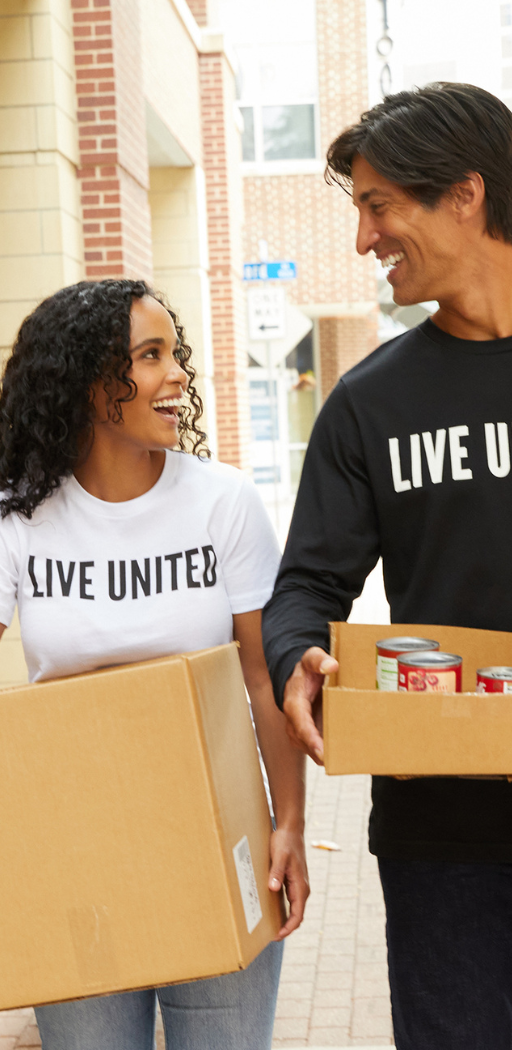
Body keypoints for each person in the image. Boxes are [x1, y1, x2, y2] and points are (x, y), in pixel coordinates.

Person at [262, 82, 512, 1050]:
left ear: (464, 194)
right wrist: (297, 659)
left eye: (377, 205)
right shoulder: (369, 404)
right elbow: (306, 588)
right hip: (442, 827)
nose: (364, 238)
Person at [0, 278, 309, 1050]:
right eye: (150, 356)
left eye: (176, 353)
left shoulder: (223, 503)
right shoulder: (19, 519)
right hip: (78, 851)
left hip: (218, 837)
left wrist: (290, 823)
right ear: (86, 377)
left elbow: (262, 676)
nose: (178, 375)